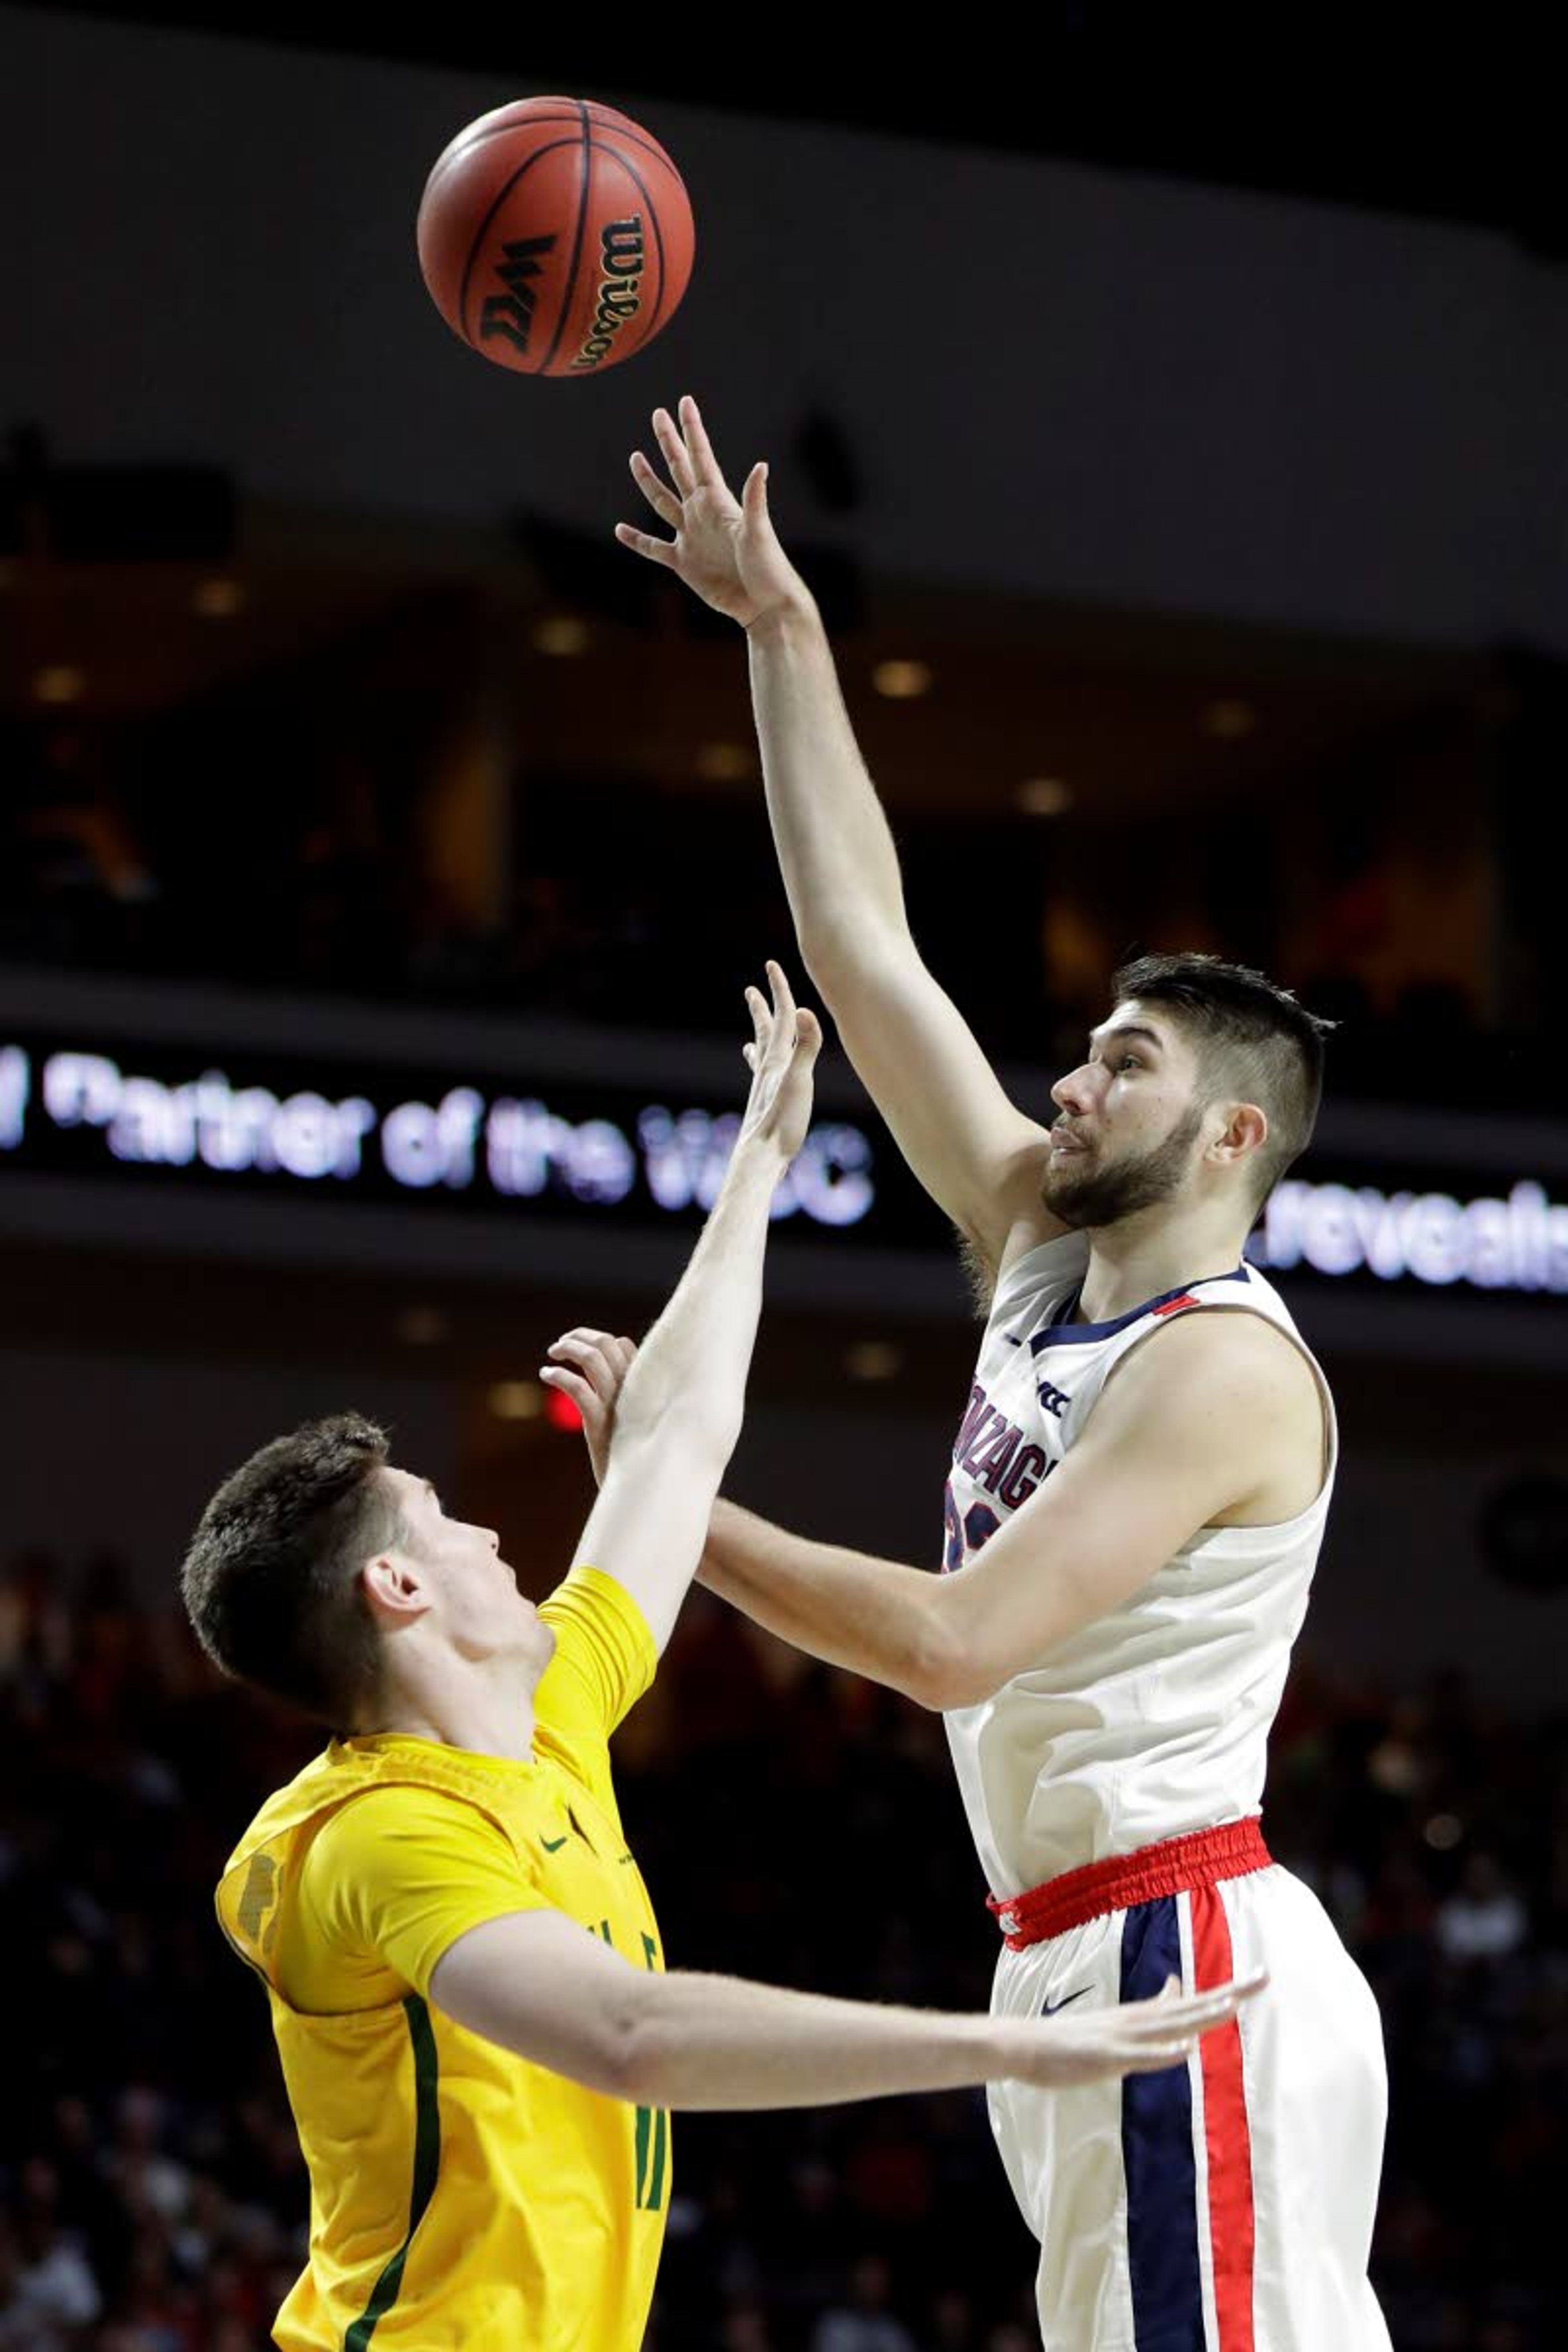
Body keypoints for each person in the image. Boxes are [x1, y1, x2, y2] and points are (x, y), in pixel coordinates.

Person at [613, 401, 1392, 2351]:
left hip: (1179, 1943)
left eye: (1127, 1064)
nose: (1072, 1081)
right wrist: (781, 633)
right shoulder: (1052, 1250)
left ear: (1230, 1139)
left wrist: (667, 1500)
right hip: (1063, 1956)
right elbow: (867, 951)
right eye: (1088, 1049)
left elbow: (958, 1644)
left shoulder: (1225, 1378)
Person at [181, 965, 1258, 2352]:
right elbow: (632, 2037)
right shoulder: (378, 1837)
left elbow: (674, 1452)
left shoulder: (543, 1704)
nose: (495, 1529)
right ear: (396, 1587)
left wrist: (758, 1160)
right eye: (443, 1522)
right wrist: (1001, 2046)